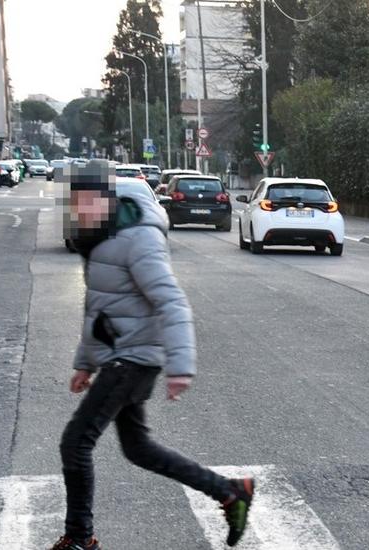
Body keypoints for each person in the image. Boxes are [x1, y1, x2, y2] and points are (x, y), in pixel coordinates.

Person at [51, 160, 254, 550]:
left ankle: (79, 539)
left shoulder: (137, 238)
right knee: (138, 448)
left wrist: (181, 366)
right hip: (119, 357)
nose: (79, 208)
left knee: (75, 443)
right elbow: (101, 310)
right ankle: (230, 492)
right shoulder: (99, 239)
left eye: (87, 200)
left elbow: (172, 302)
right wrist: (84, 362)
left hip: (134, 358)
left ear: (107, 199)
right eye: (75, 202)